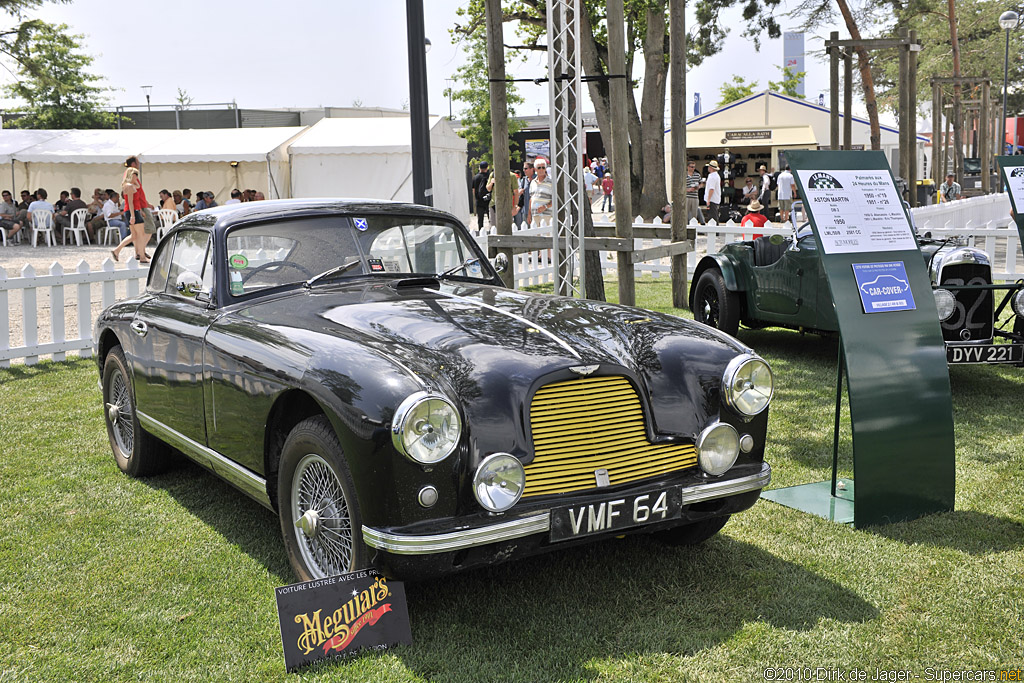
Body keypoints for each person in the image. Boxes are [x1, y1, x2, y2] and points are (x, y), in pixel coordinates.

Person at [111, 156, 151, 263]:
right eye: (135, 175)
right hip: (132, 211)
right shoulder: (128, 186)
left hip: (133, 211)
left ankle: (116, 250)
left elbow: (137, 187)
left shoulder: (130, 185)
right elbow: (130, 202)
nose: (136, 177)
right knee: (141, 234)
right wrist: (133, 215)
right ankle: (142, 256)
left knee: (134, 235)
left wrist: (134, 179)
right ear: (130, 175)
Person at [685, 160, 705, 226]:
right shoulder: (684, 175)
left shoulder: (697, 175)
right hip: (687, 196)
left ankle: (694, 226)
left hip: (695, 196)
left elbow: (702, 184)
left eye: (694, 167)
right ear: (688, 167)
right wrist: (688, 190)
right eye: (691, 167)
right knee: (686, 213)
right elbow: (680, 187)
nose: (693, 168)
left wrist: (698, 187)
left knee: (694, 213)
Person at [515, 161, 535, 227]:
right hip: (526, 211)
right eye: (523, 169)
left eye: (526, 168)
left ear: (532, 169)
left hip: (536, 210)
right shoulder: (523, 180)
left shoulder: (537, 179)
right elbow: (522, 197)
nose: (524, 170)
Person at [472, 161, 490, 229]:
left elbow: (473, 190)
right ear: (487, 168)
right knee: (490, 218)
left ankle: (481, 230)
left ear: (479, 168)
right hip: (488, 200)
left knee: (480, 219)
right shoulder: (488, 176)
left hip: (479, 201)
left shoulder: (475, 177)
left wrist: (476, 197)